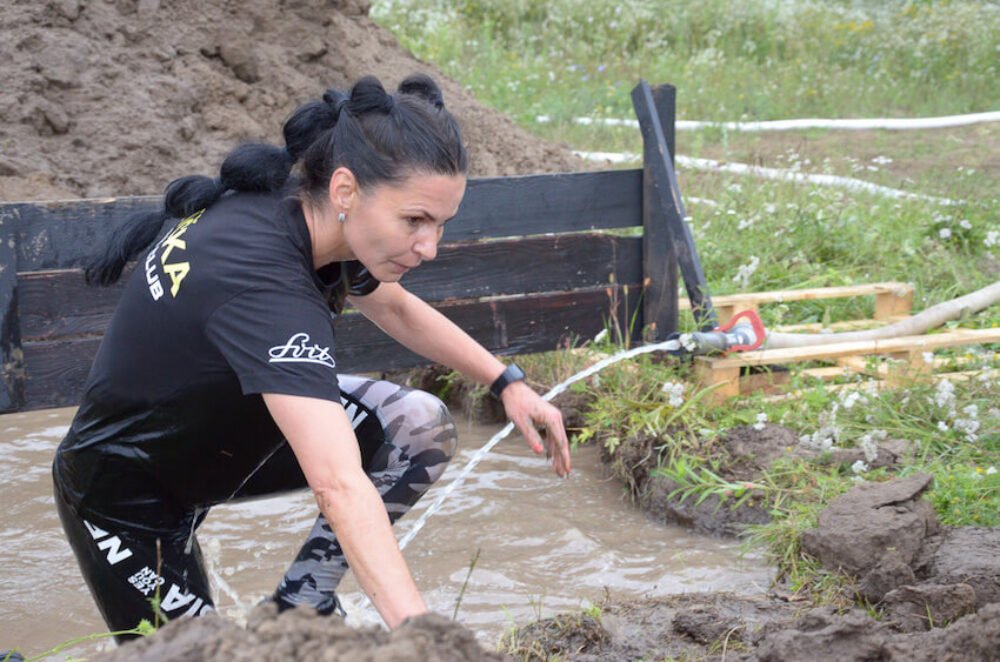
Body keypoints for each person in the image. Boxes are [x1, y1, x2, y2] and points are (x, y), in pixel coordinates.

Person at [52, 73, 570, 638]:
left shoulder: (316, 216)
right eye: (415, 221)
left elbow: (394, 309)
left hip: (221, 438)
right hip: (124, 497)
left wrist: (506, 382)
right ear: (346, 190)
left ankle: (299, 609)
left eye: (441, 225)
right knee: (202, 655)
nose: (430, 248)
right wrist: (425, 641)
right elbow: (339, 485)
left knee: (417, 425)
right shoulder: (264, 281)